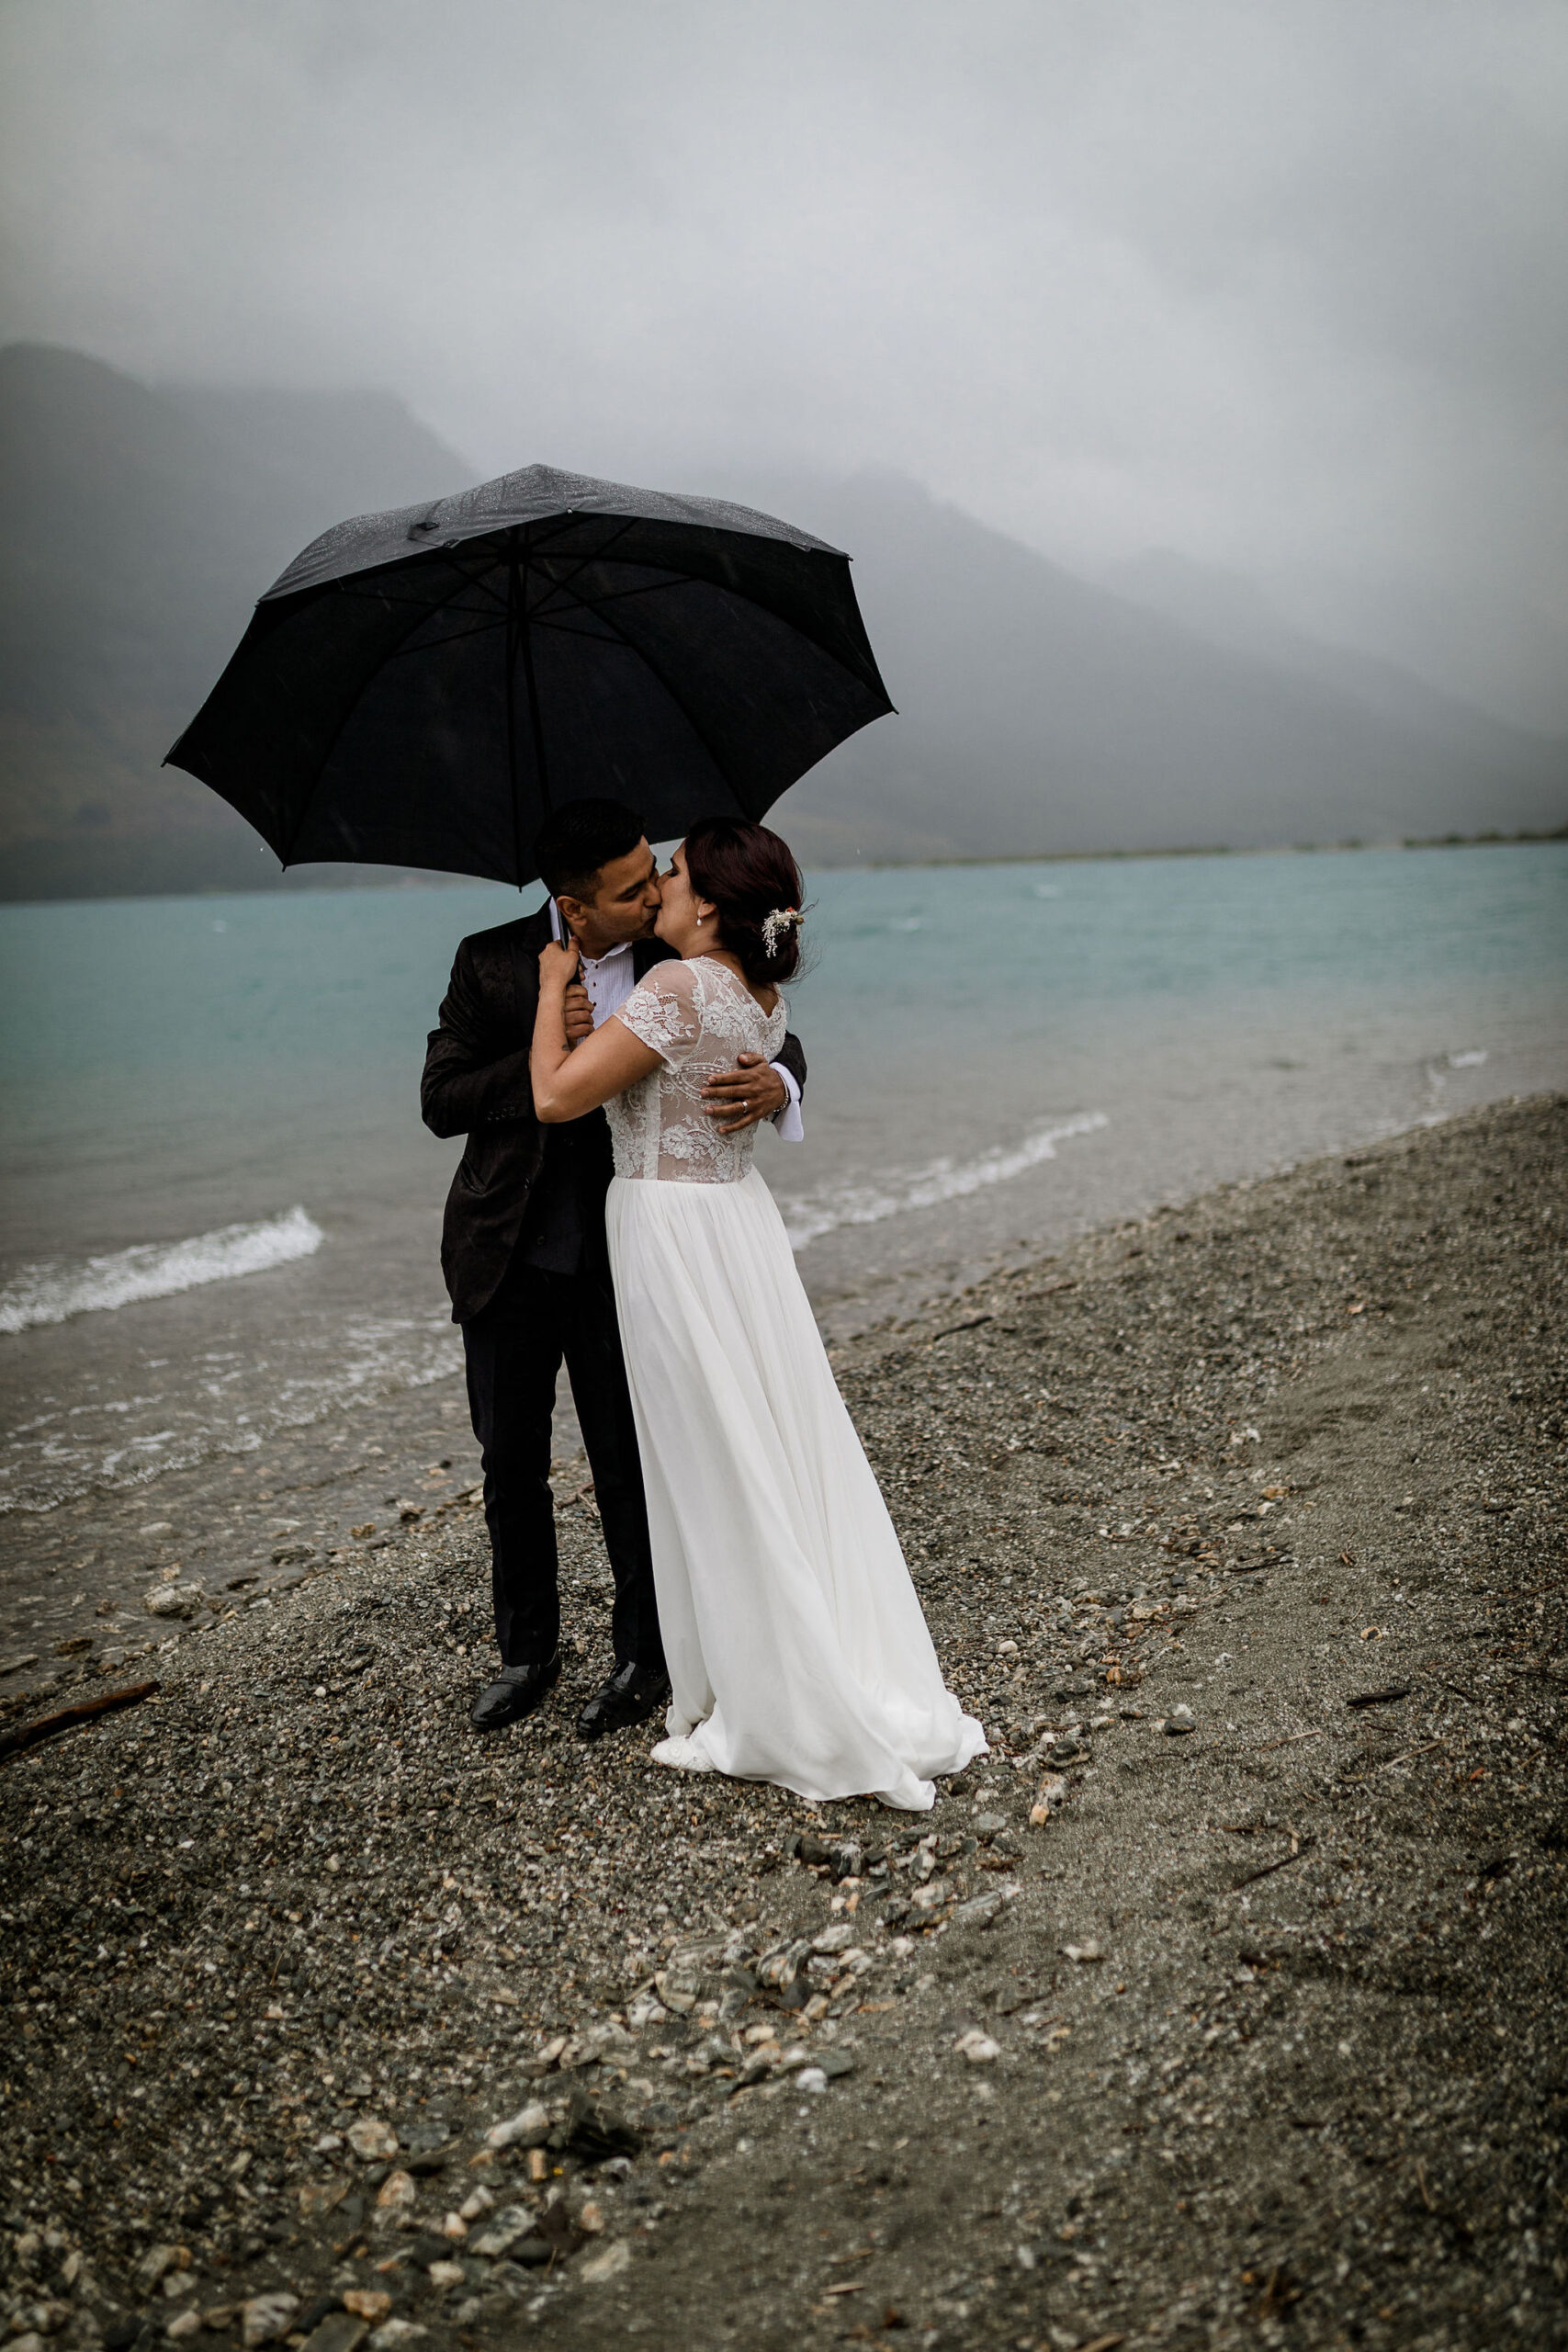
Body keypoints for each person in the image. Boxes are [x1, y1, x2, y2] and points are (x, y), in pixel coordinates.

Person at [530, 818, 985, 1811]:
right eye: (649, 875)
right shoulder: (755, 992)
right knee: (764, 1434)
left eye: (674, 874)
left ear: (708, 906)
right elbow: (718, 1044)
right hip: (735, 1226)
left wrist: (543, 998)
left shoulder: (677, 978)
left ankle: (767, 1684)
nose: (658, 888)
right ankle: (760, 1658)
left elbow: (560, 1097)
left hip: (672, 1230)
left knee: (713, 1447)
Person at [421, 799, 807, 1742]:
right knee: (510, 1460)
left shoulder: (671, 960)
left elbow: (755, 1010)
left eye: (654, 876)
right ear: (573, 904)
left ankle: (643, 1652)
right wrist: (550, 1034)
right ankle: (527, 1652)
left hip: (625, 1249)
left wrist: (785, 1077)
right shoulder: (491, 959)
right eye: (631, 886)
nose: (652, 893)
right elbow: (440, 1098)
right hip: (505, 1245)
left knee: (632, 1458)